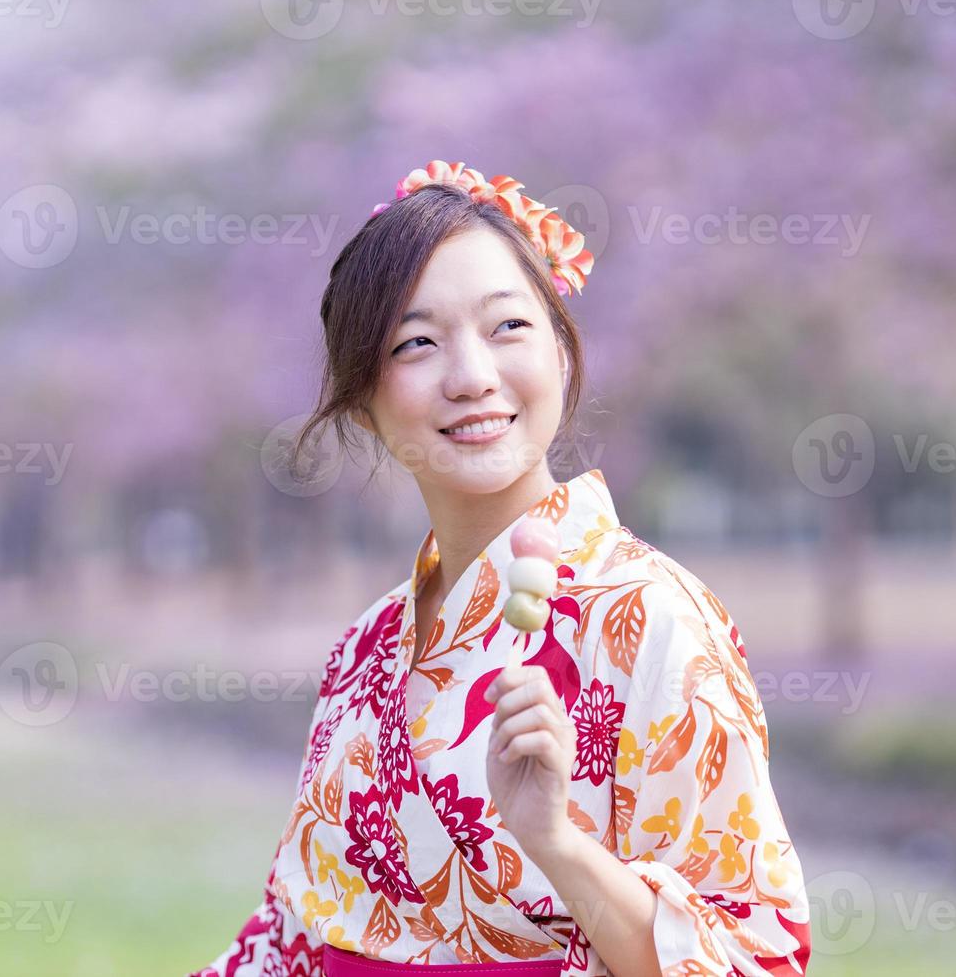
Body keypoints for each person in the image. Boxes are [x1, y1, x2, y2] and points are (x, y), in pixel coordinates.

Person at [190, 161, 810, 977]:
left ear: (560, 346)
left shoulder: (651, 619)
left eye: (508, 327)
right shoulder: (366, 647)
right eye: (416, 343)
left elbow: (753, 957)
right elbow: (290, 940)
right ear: (361, 398)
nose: (473, 376)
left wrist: (554, 842)